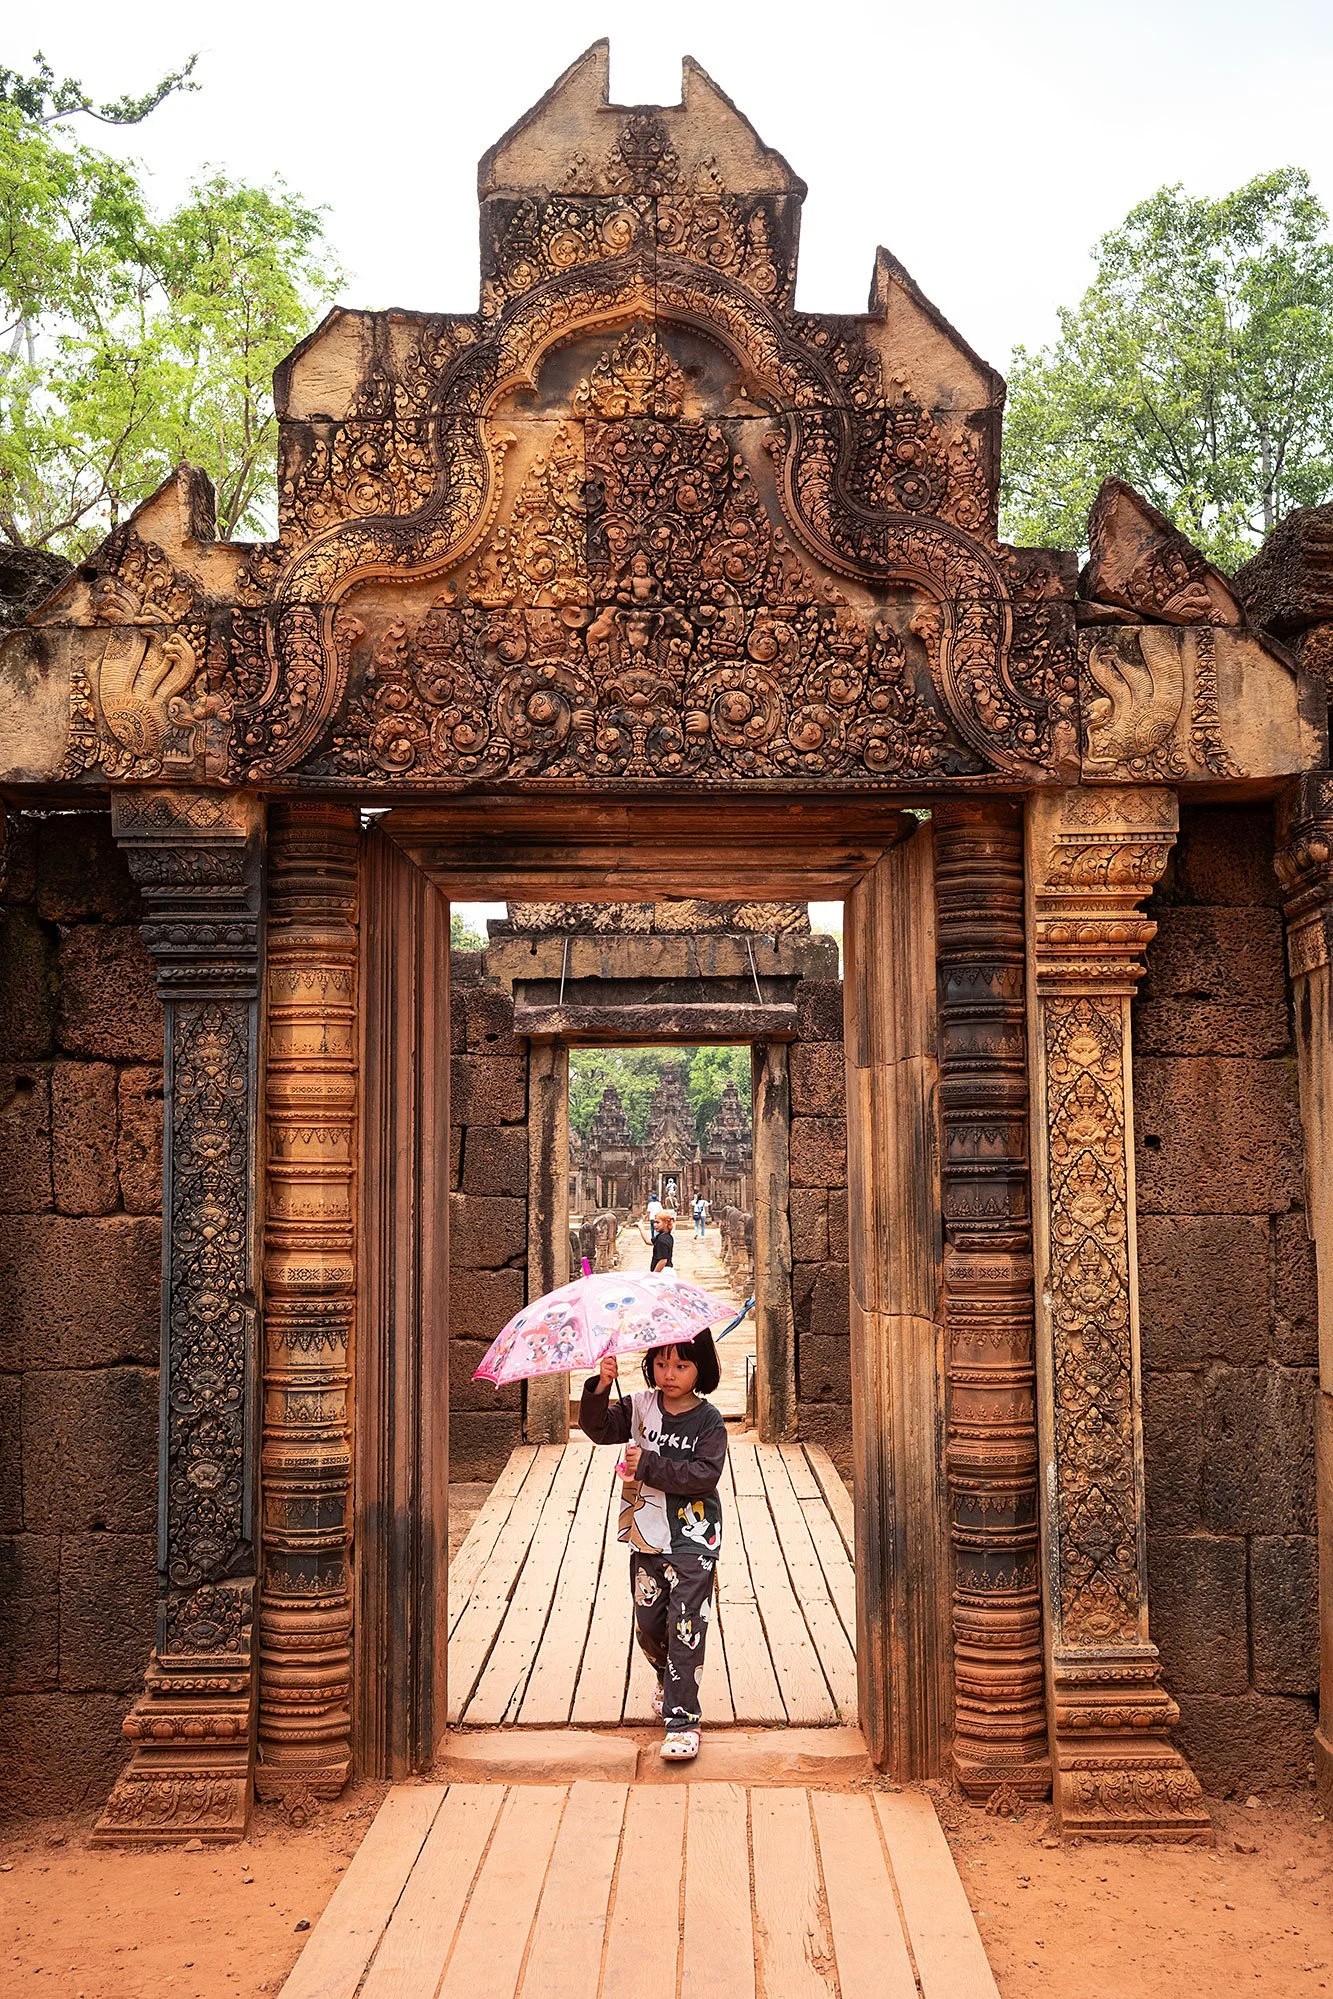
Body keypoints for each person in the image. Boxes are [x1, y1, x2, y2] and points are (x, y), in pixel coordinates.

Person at [579, 1330, 726, 1760]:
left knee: (686, 1623)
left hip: (693, 1538)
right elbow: (598, 1428)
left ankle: (682, 1720)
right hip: (645, 1533)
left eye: (681, 1365)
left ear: (702, 1368)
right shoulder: (639, 1407)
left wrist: (650, 1464)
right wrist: (601, 1386)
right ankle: (666, 1676)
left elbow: (704, 1475)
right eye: (661, 1364)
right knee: (649, 1623)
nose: (669, 1374)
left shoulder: (709, 1420)